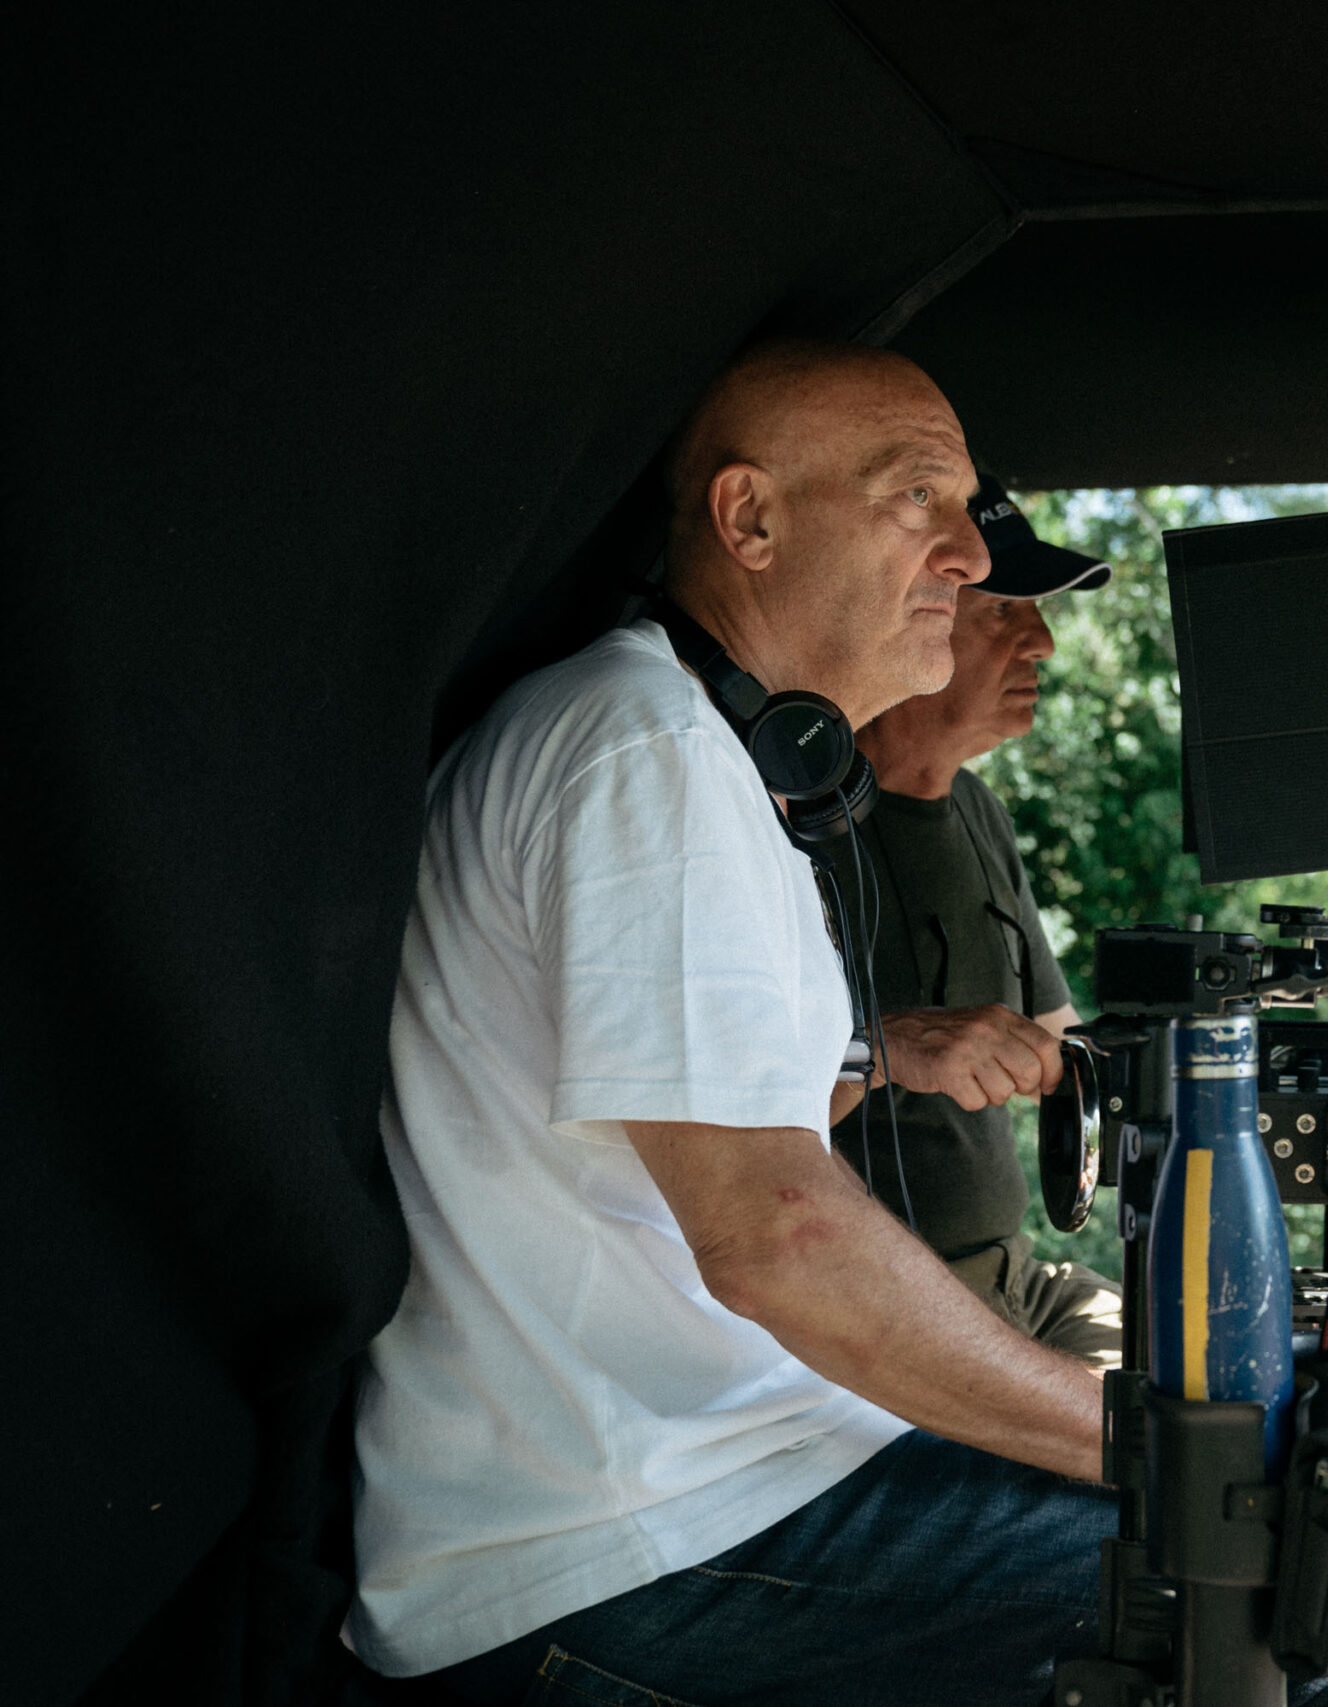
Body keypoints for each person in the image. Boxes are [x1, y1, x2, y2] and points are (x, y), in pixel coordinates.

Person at [349, 341, 1115, 1706]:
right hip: (602, 1543)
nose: (967, 553)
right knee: (1231, 1560)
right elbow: (774, 1236)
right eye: (917, 500)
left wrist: (882, 1051)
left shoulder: (693, 749)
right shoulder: (645, 753)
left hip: (703, 1483)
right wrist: (1140, 1438)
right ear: (748, 519)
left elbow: (701, 1136)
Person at [839, 470, 1122, 1367]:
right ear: (919, 620)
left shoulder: (978, 810)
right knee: (1161, 1462)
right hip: (893, 1305)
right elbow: (732, 1135)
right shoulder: (795, 825)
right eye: (1003, 610)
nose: (1040, 640)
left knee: (1234, 1377)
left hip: (1020, 1281)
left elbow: (1070, 1051)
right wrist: (885, 1047)